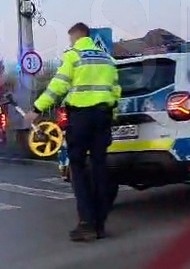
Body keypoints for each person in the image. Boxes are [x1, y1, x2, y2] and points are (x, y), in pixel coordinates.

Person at [24, 22, 121, 242]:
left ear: (76, 36)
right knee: (100, 167)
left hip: (81, 118)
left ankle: (86, 223)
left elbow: (57, 86)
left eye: (71, 39)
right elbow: (116, 90)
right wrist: (111, 116)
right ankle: (100, 224)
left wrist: (37, 109)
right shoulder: (108, 59)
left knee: (76, 166)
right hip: (103, 116)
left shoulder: (74, 56)